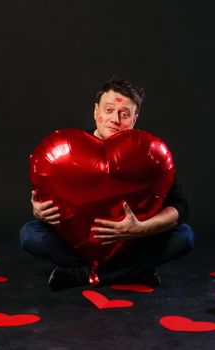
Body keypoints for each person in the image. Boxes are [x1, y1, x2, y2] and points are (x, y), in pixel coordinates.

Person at [20, 77, 195, 291]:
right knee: (30, 234)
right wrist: (39, 211)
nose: (115, 119)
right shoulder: (69, 150)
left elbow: (181, 207)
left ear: (134, 119)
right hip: (78, 241)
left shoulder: (149, 153)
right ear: (96, 112)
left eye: (124, 114)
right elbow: (48, 198)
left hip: (132, 243)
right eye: (109, 110)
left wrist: (139, 229)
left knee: (184, 236)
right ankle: (130, 272)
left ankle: (86, 275)